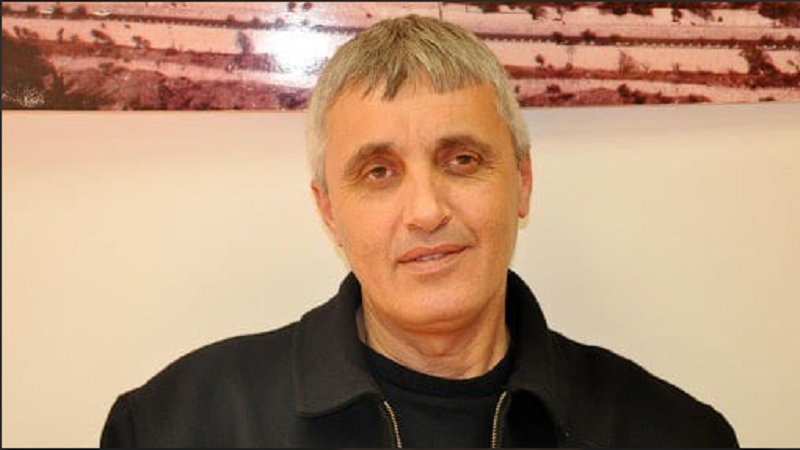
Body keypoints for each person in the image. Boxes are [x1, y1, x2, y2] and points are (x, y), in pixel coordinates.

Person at [100, 15, 738, 448]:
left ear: (521, 183)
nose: (427, 211)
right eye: (378, 172)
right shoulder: (176, 425)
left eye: (462, 160)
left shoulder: (673, 433)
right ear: (329, 211)